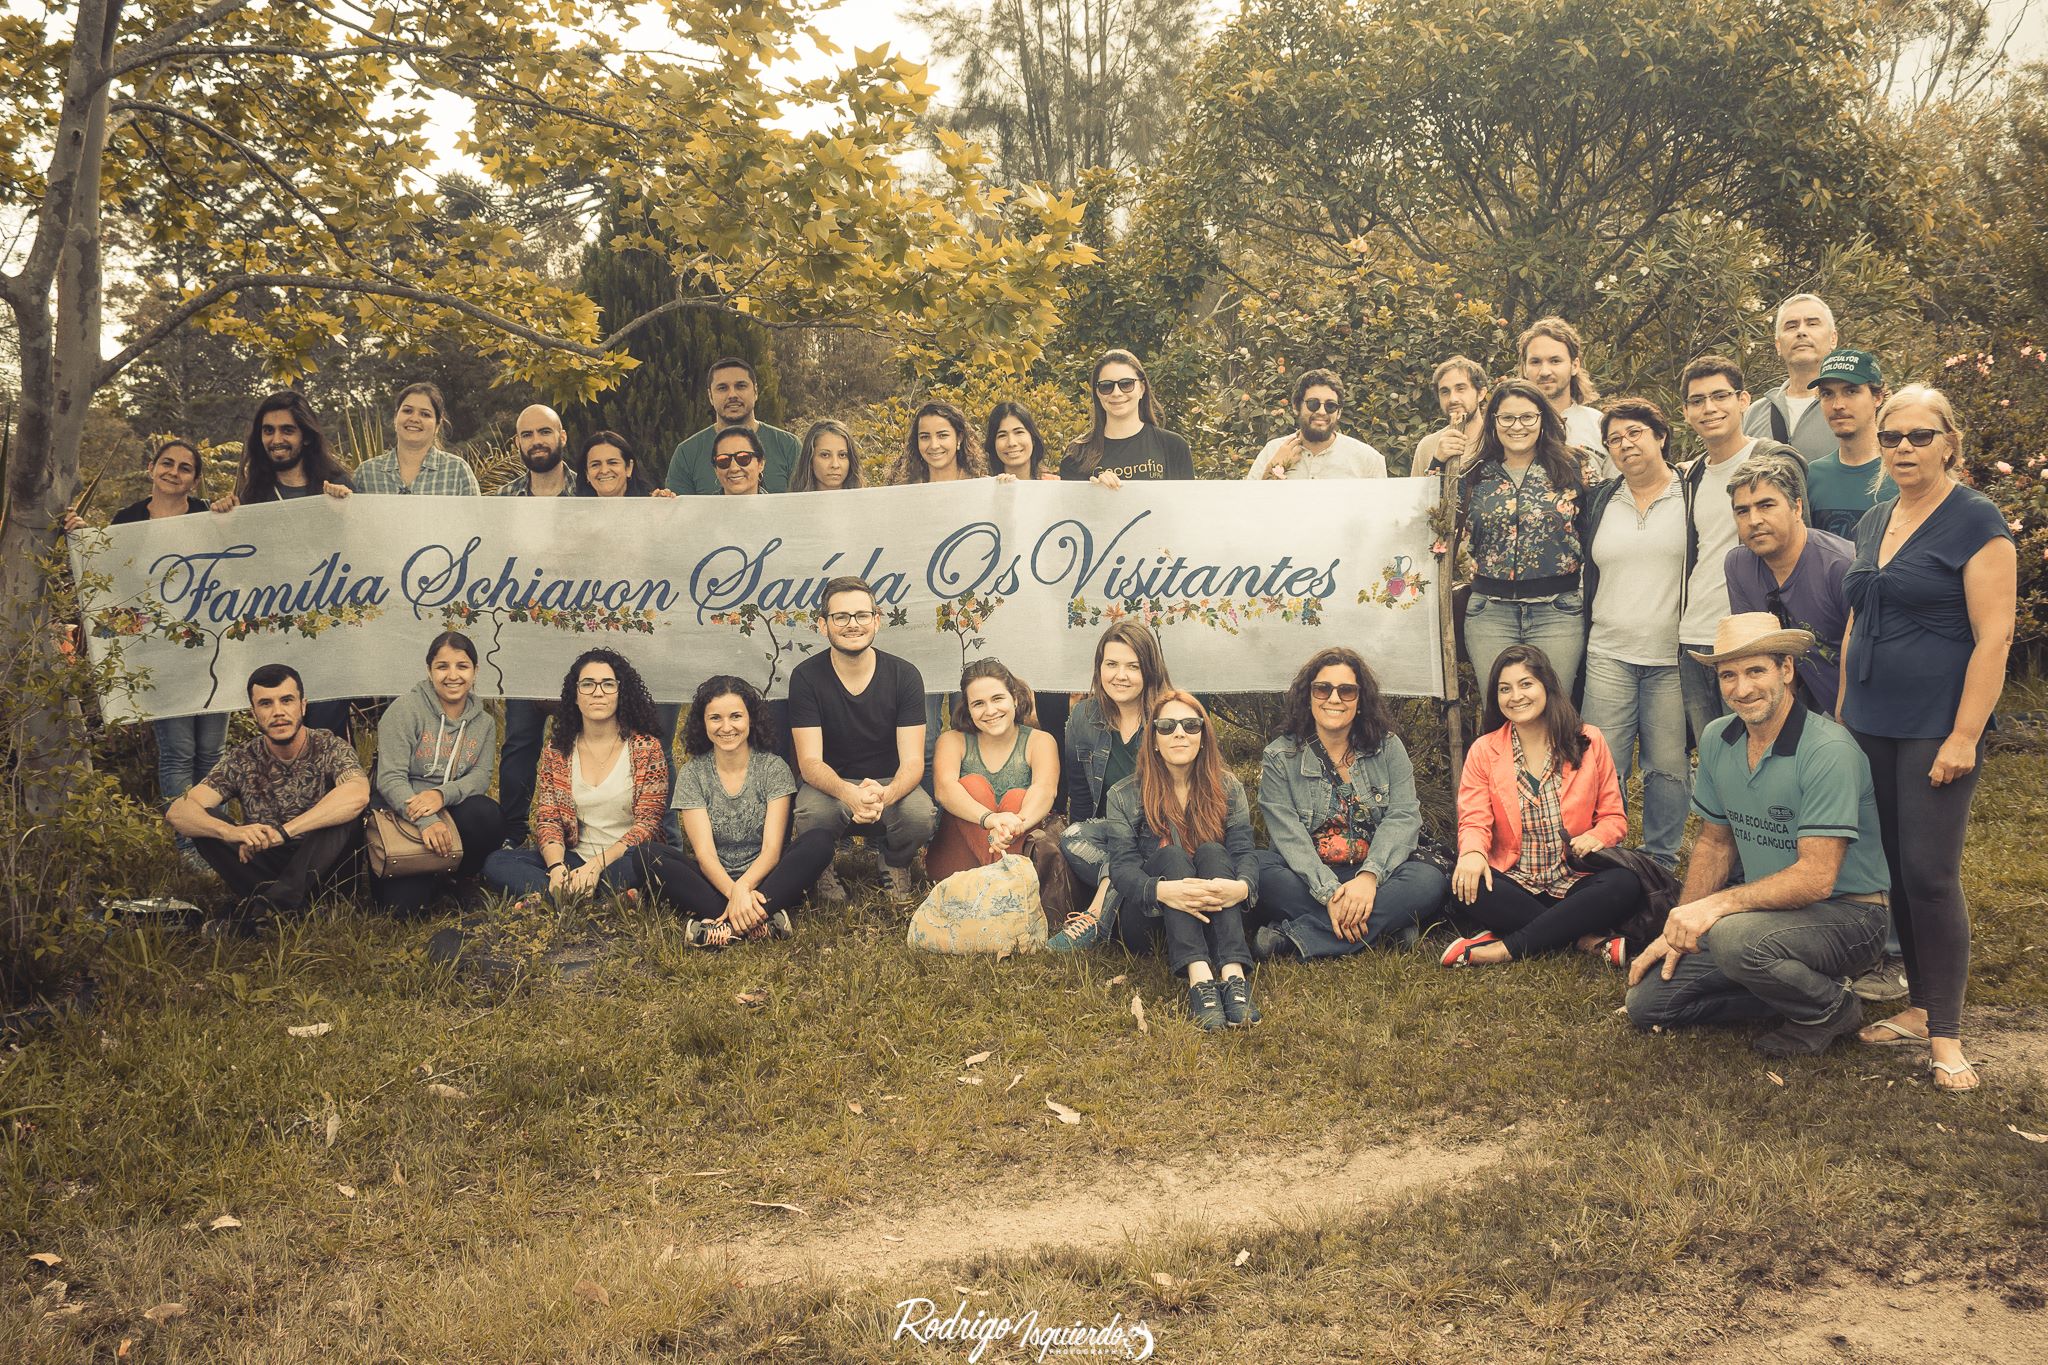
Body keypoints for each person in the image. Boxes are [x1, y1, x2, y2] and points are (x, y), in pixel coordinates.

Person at [1841, 385, 2017, 1092]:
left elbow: (1995, 635)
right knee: (1895, 870)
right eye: (1892, 437)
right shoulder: (1874, 518)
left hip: (1935, 723)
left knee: (1931, 874)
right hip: (1871, 721)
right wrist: (1844, 714)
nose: (1904, 448)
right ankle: (1918, 1007)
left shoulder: (1976, 519)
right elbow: (1857, 619)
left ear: (1949, 443)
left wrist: (1964, 734)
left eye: (1920, 435)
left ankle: (1946, 1035)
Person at [1626, 614, 1893, 1057]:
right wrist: (1679, 924)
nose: (1742, 689)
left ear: (1786, 669)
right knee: (1649, 1004)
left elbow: (1816, 879)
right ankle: (1792, 989)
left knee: (1734, 939)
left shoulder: (1829, 750)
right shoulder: (1717, 737)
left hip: (1850, 915)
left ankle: (1831, 1008)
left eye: (1755, 671)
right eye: (1728, 675)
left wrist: (1715, 907)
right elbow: (1715, 842)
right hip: (1764, 916)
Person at [70, 440, 225, 867]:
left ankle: (220, 842)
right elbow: (108, 570)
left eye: (185, 468)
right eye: (167, 463)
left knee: (212, 755)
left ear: (196, 480)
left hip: (213, 653)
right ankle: (189, 848)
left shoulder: (208, 515)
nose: (174, 472)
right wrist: (83, 536)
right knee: (178, 753)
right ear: (151, 468)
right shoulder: (129, 519)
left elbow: (237, 563)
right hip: (160, 655)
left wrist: (231, 512)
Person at [1443, 645, 1638, 967]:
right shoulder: (1484, 750)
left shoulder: (1588, 740)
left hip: (1574, 877)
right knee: (1466, 884)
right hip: (1515, 879)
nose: (1516, 696)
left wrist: (1597, 836)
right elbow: (1474, 819)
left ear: (1547, 686)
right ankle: (1583, 939)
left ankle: (1504, 947)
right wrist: (1473, 853)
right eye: (1505, 689)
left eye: (1526, 684)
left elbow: (1613, 816)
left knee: (1624, 884)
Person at [1252, 647, 1448, 960]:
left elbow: (1404, 817)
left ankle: (1293, 938)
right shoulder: (1280, 756)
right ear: (1308, 696)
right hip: (1309, 878)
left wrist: (1369, 878)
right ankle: (1387, 928)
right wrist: (1330, 893)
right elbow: (1288, 836)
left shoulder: (1388, 747)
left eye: (1346, 690)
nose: (1334, 698)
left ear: (1360, 700)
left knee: (1427, 880)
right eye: (1322, 689)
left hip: (1378, 874)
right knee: (1258, 869)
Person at [166, 663, 369, 929]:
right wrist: (230, 832)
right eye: (266, 704)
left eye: (287, 700)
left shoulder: (329, 746)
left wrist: (284, 832)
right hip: (266, 863)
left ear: (303, 706)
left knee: (346, 813)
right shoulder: (242, 757)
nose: (278, 712)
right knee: (205, 821)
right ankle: (291, 910)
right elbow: (178, 811)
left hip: (324, 866)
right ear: (254, 713)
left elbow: (358, 792)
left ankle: (267, 911)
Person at [1104, 692, 1262, 1030]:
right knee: (1173, 856)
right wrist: (1163, 891)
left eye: (1191, 725)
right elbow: (1122, 867)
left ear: (1203, 737)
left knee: (1213, 851)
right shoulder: (1123, 794)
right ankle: (1200, 978)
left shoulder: (1227, 787)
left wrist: (1242, 887)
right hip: (1150, 918)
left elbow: (1243, 851)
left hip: (1213, 912)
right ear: (1154, 740)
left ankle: (1233, 974)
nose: (1179, 733)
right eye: (1167, 726)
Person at [640, 677, 834, 946]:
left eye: (735, 716)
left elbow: (771, 851)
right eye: (715, 718)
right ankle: (762, 920)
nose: (726, 727)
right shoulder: (693, 774)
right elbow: (705, 855)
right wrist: (735, 893)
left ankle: (720, 927)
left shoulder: (773, 768)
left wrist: (744, 887)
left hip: (767, 878)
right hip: (712, 879)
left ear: (750, 719)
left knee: (819, 841)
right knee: (646, 855)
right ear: (702, 723)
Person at [1579, 399, 1689, 869]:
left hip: (1671, 658)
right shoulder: (1602, 499)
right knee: (1604, 764)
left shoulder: (1691, 492)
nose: (1625, 444)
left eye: (1635, 433)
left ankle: (1661, 862)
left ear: (1661, 435)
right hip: (1608, 652)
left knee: (1667, 767)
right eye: (1614, 439)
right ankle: (1610, 860)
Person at [1676, 355, 1804, 747]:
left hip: (1752, 639)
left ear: (1743, 400)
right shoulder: (1692, 474)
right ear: (1686, 412)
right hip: (1695, 638)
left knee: (1766, 750)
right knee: (1715, 754)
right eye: (1697, 400)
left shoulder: (1773, 461)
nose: (1709, 408)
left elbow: (1800, 545)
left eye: (1720, 396)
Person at [787, 576, 938, 904]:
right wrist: (849, 794)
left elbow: (913, 762)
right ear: (823, 625)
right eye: (841, 616)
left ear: (876, 620)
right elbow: (809, 763)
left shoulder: (904, 675)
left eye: (861, 615)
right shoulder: (805, 677)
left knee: (920, 815)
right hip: (831, 785)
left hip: (888, 784)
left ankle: (894, 861)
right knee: (811, 812)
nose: (852, 624)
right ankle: (821, 866)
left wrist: (886, 794)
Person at [480, 649, 667, 902]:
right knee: (497, 862)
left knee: (652, 863)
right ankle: (587, 895)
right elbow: (548, 820)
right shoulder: (558, 750)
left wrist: (596, 866)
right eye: (587, 684)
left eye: (608, 684)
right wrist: (557, 867)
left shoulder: (646, 748)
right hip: (575, 857)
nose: (598, 692)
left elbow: (648, 825)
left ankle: (558, 896)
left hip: (625, 857)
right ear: (575, 696)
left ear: (620, 693)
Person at [1457, 378, 1590, 694]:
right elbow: (1434, 520)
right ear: (1493, 421)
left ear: (1542, 419)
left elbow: (1594, 530)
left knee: (1554, 707)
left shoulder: (1573, 467)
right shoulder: (1474, 474)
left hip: (1557, 611)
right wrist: (1438, 461)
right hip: (1490, 613)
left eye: (1528, 417)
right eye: (1507, 418)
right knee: (1500, 707)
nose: (1517, 426)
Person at [1053, 621, 1174, 951]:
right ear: (1099, 667)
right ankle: (1125, 891)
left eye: (1133, 666)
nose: (1121, 675)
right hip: (1107, 833)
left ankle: (1095, 917)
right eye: (1112, 664)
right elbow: (1080, 797)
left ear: (1149, 670)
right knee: (1072, 836)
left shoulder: (1168, 717)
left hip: (1162, 834)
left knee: (1143, 842)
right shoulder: (1084, 717)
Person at [493, 404, 581, 848]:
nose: (536, 441)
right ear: (517, 443)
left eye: (545, 432)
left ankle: (578, 833)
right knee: (520, 740)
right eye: (527, 435)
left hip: (581, 638)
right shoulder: (501, 502)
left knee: (582, 740)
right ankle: (512, 833)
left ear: (562, 436)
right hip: (524, 641)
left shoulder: (591, 494)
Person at [370, 632, 502, 916]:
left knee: (487, 814)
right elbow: (390, 779)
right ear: (429, 670)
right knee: (404, 910)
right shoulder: (405, 710)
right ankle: (430, 874)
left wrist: (440, 795)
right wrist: (427, 821)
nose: (452, 676)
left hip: (449, 807)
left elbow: (481, 776)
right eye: (442, 666)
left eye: (462, 666)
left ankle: (462, 877)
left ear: (475, 671)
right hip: (403, 810)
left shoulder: (484, 723)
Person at [1725, 451, 1851, 713]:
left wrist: (1841, 722)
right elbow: (1762, 655)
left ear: (1797, 508)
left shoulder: (1841, 566)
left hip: (1871, 708)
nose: (1754, 520)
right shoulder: (1739, 566)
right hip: (1807, 705)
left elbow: (1869, 660)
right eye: (1742, 511)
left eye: (1766, 505)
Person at [926, 659, 1061, 882]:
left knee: (1018, 798)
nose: (990, 711)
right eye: (978, 703)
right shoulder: (952, 741)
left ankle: (997, 885)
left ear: (1014, 698)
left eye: (998, 698)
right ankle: (1004, 887)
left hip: (1015, 847)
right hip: (958, 865)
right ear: (968, 709)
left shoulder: (1040, 741)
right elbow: (945, 790)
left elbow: (1045, 790)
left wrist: (1013, 827)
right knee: (972, 786)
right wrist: (991, 820)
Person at [664, 356, 800, 495]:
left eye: (741, 386)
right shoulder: (687, 453)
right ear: (710, 396)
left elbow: (806, 502)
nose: (732, 395)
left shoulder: (788, 446)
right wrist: (662, 502)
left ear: (755, 391)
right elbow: (678, 507)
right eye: (722, 388)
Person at [1059, 349, 1194, 484]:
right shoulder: (1076, 454)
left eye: (1126, 384)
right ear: (1098, 393)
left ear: (1142, 388)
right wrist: (1095, 492)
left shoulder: (1173, 446)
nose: (1116, 393)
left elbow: (1185, 497)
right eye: (1106, 386)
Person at [1806, 348, 1897, 539]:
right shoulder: (1812, 476)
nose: (1837, 405)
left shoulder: (1901, 471)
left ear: (1877, 397)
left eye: (1851, 391)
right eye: (1827, 394)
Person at [1741, 293, 1841, 463]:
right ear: (1778, 345)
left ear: (1833, 339)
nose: (1801, 331)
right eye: (1791, 326)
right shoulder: (1755, 413)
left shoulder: (1850, 406)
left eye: (1812, 324)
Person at [216, 390, 355, 508]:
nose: (276, 440)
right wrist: (226, 519)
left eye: (287, 431)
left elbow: (358, 529)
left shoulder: (337, 486)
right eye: (269, 431)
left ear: (307, 437)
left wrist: (346, 507)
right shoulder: (252, 494)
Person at [1244, 369, 1388, 480]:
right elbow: (1250, 505)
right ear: (1296, 407)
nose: (1321, 412)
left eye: (1330, 406)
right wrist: (1274, 469)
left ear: (1338, 412)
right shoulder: (1272, 452)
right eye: (1313, 404)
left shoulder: (1368, 460)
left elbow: (1380, 509)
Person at [351, 382, 480, 496]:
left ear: (437, 425)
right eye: (407, 411)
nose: (414, 419)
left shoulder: (457, 471)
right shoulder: (366, 473)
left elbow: (476, 516)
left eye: (425, 414)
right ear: (395, 418)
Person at [1517, 317, 1606, 468]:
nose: (1545, 372)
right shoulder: (1507, 426)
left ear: (1574, 366)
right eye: (1535, 362)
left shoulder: (1599, 425)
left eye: (1555, 361)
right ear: (1525, 368)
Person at [1415, 356, 1488, 478]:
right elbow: (1418, 491)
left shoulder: (1499, 439)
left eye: (1461, 389)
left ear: (1481, 393)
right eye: (1445, 391)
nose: (1453, 399)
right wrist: (1437, 461)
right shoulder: (1427, 446)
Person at [896, 400, 979, 484]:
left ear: (959, 438)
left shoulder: (980, 486)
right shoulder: (904, 489)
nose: (934, 446)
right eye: (925, 437)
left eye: (942, 435)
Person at [577, 430, 676, 499]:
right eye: (595, 465)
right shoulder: (574, 515)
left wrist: (664, 507)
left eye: (612, 462)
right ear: (587, 473)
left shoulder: (650, 506)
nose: (604, 470)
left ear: (629, 468)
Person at [986, 402, 1058, 481]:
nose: (1011, 443)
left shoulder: (1052, 484)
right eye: (1002, 435)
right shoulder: (984, 486)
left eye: (1019, 432)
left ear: (1033, 438)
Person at [788, 419, 865, 492]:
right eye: (825, 455)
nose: (835, 465)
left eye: (842, 455)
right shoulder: (793, 501)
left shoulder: (865, 500)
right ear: (810, 460)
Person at [711, 426, 769, 496]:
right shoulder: (702, 503)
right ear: (716, 470)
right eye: (724, 460)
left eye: (743, 458)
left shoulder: (777, 503)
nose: (734, 469)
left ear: (760, 464)